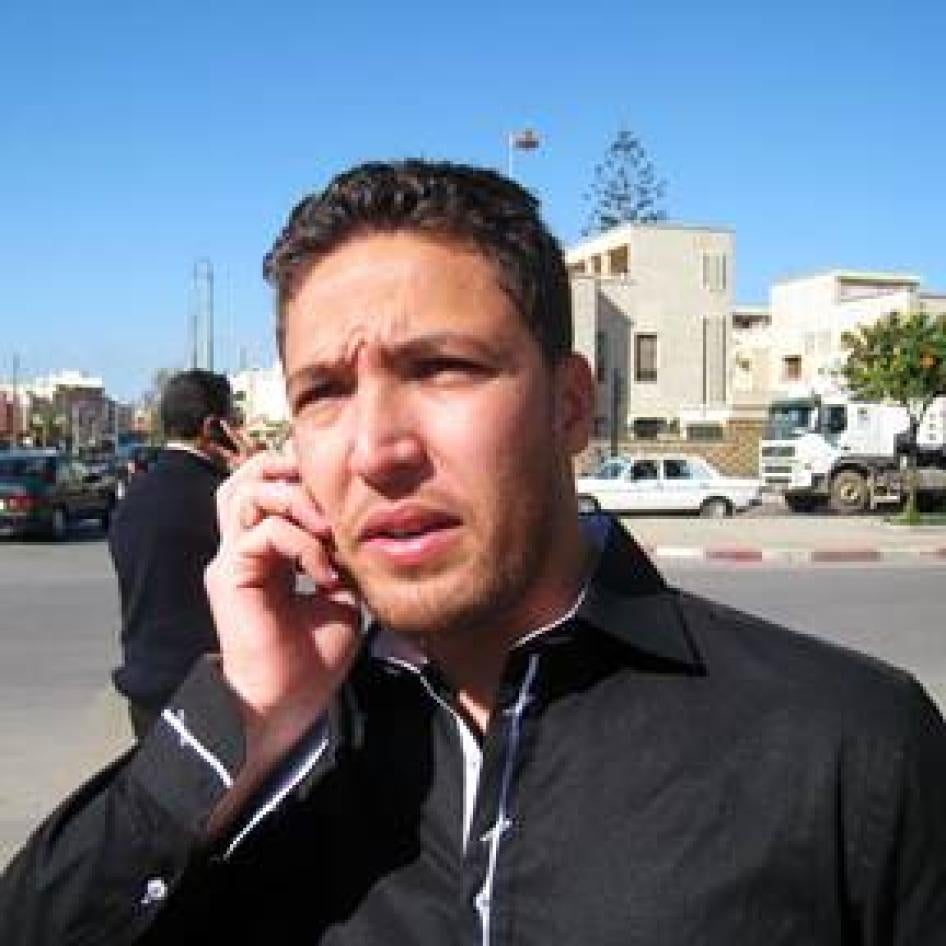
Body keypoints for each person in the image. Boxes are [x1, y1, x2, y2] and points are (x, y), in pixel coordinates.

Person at [1, 160, 944, 944]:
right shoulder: (265, 762)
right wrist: (244, 711)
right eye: (325, 392)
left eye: (443, 367)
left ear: (570, 406)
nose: (377, 449)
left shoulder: (848, 751)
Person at [108, 369, 248, 738]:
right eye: (234, 419)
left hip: (146, 693)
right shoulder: (227, 498)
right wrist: (258, 475)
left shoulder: (133, 497)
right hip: (214, 692)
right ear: (213, 427)